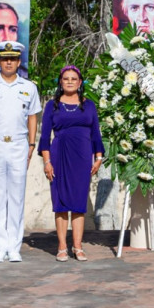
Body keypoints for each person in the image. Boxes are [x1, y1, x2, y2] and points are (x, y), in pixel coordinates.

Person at [0, 41, 42, 262]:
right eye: (5, 58)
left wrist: (31, 144)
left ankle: (14, 246)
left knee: (16, 195)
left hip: (19, 144)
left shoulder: (29, 87)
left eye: (13, 58)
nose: (9, 62)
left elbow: (33, 116)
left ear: (19, 61)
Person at [39, 65, 105, 262]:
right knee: (60, 203)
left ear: (79, 82)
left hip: (83, 157)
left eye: (73, 78)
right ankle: (61, 246)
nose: (69, 81)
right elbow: (44, 137)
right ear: (60, 81)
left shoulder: (89, 105)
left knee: (78, 203)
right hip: (59, 156)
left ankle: (77, 246)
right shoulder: (52, 105)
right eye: (66, 78)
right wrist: (47, 161)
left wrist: (99, 157)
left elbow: (95, 133)